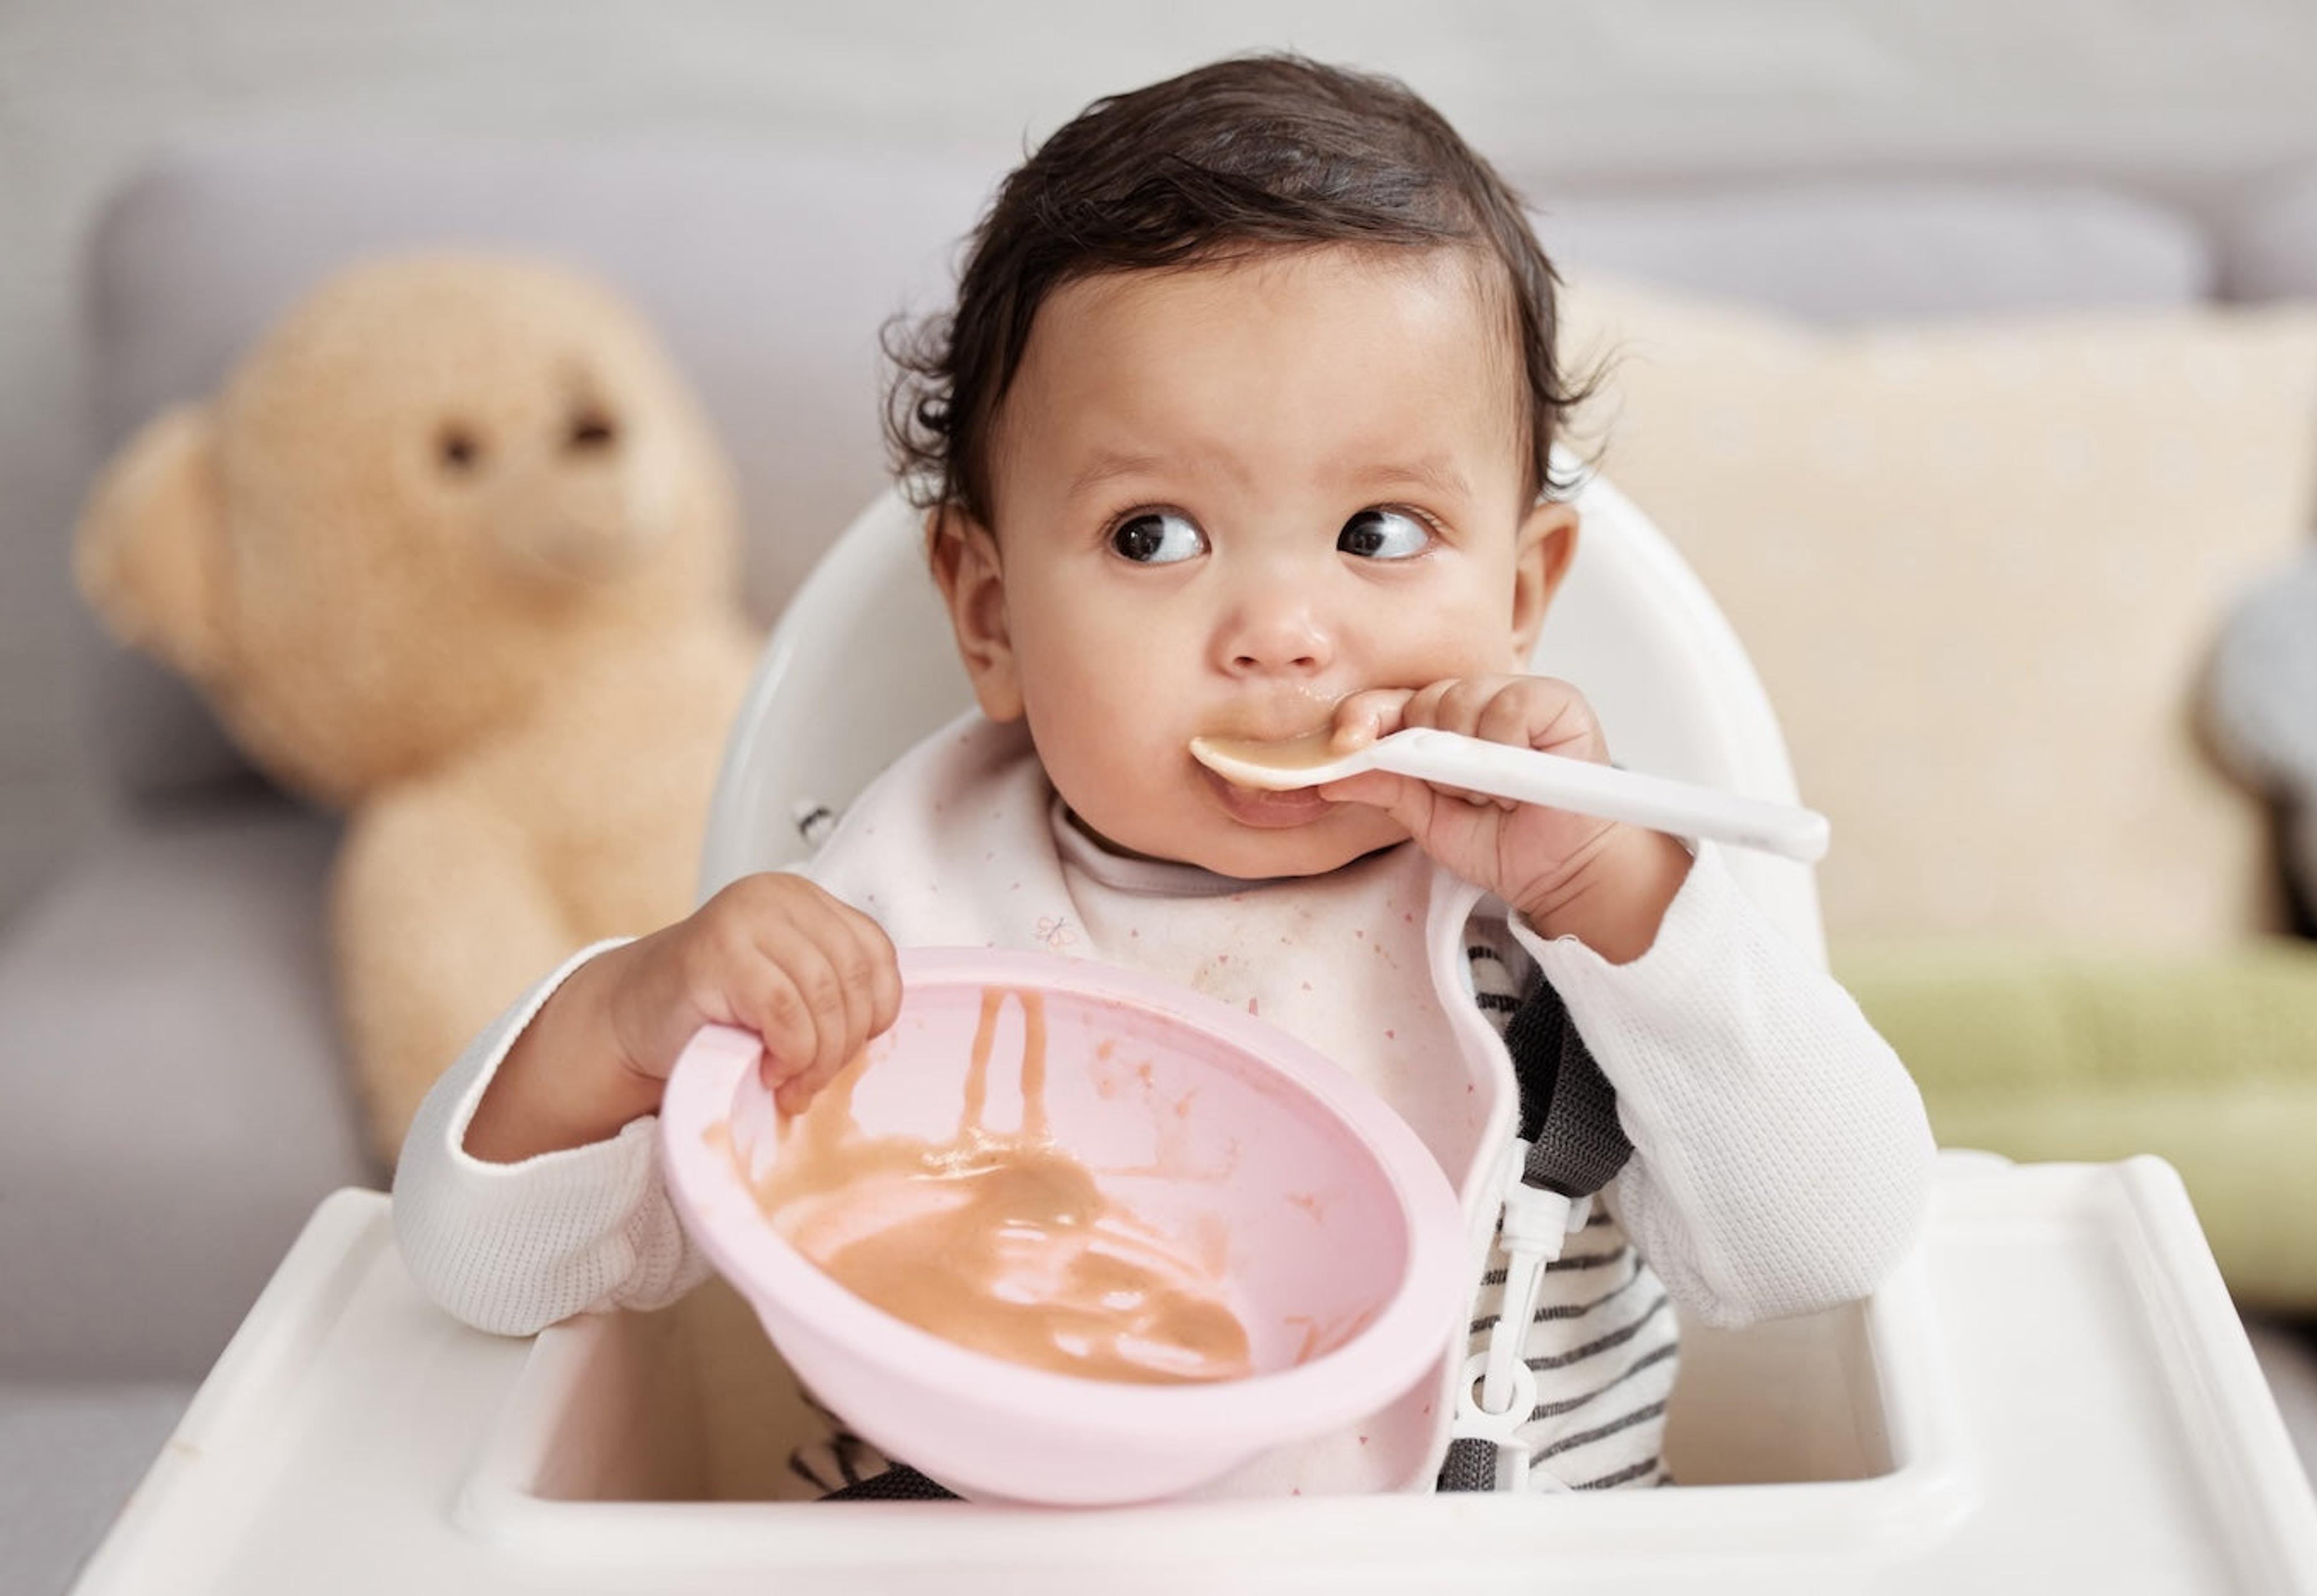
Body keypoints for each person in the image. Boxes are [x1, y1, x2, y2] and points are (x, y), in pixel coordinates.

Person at [393, 52, 1935, 1501]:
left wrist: (1619, 897)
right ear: (992, 615)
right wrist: (625, 1016)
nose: (1280, 630)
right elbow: (487, 1268)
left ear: (1522, 591)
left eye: (1380, 533)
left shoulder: (1566, 905)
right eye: (1155, 535)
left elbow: (1828, 1246)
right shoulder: (895, 913)